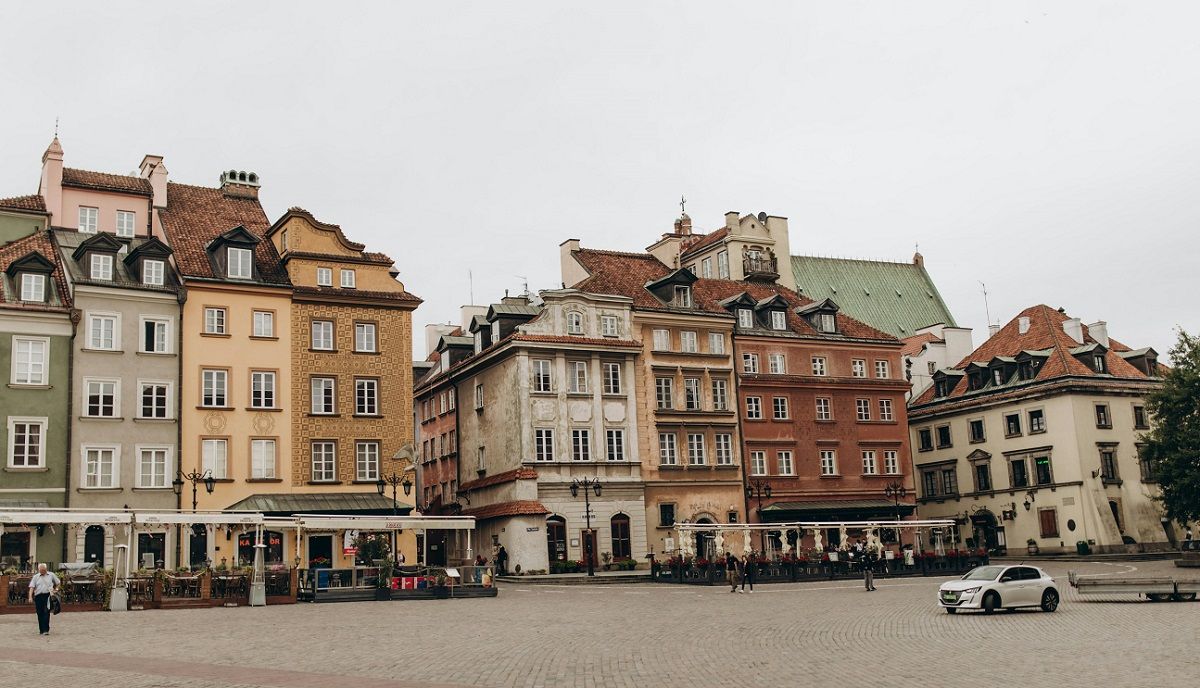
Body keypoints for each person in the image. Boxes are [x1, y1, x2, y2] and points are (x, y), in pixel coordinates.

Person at [28, 563, 60, 636]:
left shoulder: (51, 575)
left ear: (46, 569)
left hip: (48, 595)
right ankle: (41, 630)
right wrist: (30, 597)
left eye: (43, 570)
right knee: (40, 613)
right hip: (38, 596)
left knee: (46, 612)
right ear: (39, 570)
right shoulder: (36, 577)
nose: (42, 571)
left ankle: (46, 630)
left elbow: (58, 582)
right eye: (41, 570)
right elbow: (32, 587)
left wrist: (56, 589)